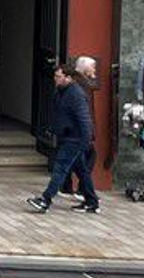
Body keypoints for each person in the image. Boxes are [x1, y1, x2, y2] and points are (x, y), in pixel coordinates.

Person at [27, 62, 100, 215]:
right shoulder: (61, 91)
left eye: (58, 76)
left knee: (60, 168)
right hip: (68, 136)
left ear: (68, 78)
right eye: (55, 76)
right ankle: (92, 202)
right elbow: (60, 114)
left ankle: (45, 200)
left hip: (75, 138)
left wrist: (86, 140)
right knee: (81, 171)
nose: (55, 79)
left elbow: (84, 119)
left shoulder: (76, 94)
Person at [61, 55, 99, 200]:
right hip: (80, 129)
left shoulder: (77, 81)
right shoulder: (82, 84)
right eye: (92, 67)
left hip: (75, 129)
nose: (94, 69)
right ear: (85, 68)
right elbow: (84, 110)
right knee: (88, 157)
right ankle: (83, 189)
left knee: (75, 158)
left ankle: (67, 186)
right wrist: (88, 131)